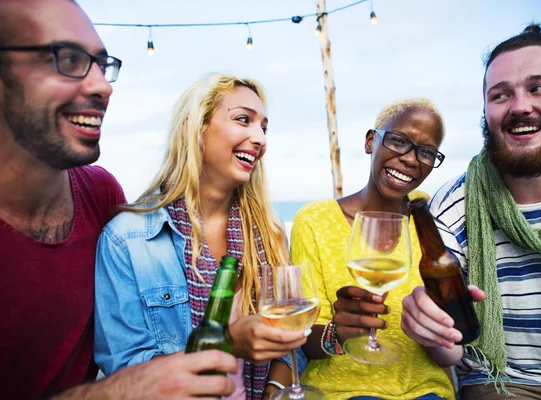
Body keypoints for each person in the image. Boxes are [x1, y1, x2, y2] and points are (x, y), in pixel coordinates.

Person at [0, 0, 239, 398]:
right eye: (68, 58)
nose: (102, 86)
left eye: (101, 63)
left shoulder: (100, 193)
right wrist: (117, 391)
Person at [401, 24, 541, 400]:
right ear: (486, 112)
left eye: (539, 87)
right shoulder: (450, 209)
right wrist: (431, 328)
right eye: (501, 95)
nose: (520, 105)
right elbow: (451, 348)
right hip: (501, 385)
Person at [94, 72, 309, 399]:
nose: (260, 139)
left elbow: (289, 345)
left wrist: (274, 391)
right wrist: (228, 342)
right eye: (243, 120)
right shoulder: (128, 239)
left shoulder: (269, 230)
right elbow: (127, 373)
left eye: (264, 127)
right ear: (194, 128)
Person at [265, 99, 456, 400]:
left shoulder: (430, 221)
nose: (410, 159)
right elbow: (306, 336)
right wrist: (337, 332)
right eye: (398, 141)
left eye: (426, 152)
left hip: (425, 390)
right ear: (370, 141)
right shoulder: (314, 221)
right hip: (341, 392)